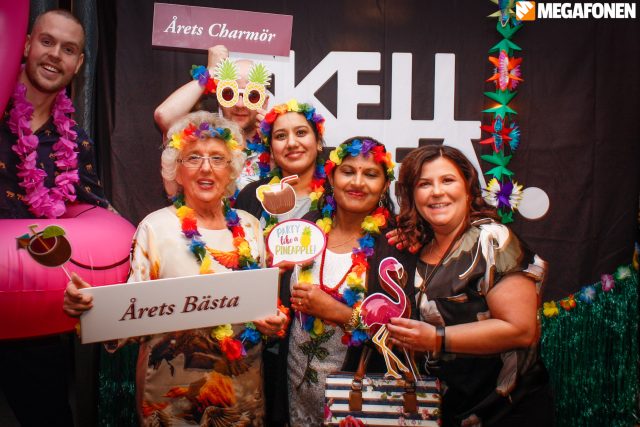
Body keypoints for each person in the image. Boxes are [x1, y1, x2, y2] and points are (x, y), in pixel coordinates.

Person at [63, 112, 288, 426]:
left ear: (232, 170)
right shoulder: (155, 228)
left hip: (241, 397)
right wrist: (91, 310)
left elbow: (262, 308)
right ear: (177, 171)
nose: (206, 167)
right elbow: (129, 318)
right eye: (193, 157)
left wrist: (273, 323)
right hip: (171, 403)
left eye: (217, 158)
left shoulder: (250, 227)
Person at [386, 145, 554, 427]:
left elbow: (521, 330)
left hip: (504, 411)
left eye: (447, 180)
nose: (437, 191)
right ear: (412, 195)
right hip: (444, 412)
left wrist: (436, 338)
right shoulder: (418, 248)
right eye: (424, 184)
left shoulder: (492, 239)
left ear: (468, 188)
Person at [0, 9, 109, 426]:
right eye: (47, 42)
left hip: (35, 321)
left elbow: (93, 214)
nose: (54, 55)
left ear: (78, 64)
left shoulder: (75, 141)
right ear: (27, 44)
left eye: (68, 49)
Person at [285, 137, 417, 426]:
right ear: (332, 177)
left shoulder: (396, 243)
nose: (357, 182)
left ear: (384, 185)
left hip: (358, 395)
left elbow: (406, 336)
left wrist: (342, 314)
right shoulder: (308, 227)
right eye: (347, 171)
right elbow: (284, 298)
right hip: (297, 387)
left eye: (370, 174)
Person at [235, 99, 328, 426]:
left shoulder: (336, 195)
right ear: (270, 149)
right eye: (280, 136)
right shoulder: (252, 196)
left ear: (318, 141)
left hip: (317, 342)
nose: (292, 143)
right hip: (261, 342)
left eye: (301, 133)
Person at [154, 45, 271, 190]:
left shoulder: (276, 145)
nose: (240, 104)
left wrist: (271, 138)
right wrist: (211, 72)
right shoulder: (200, 138)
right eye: (229, 93)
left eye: (252, 96)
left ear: (264, 102)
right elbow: (164, 115)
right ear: (219, 98)